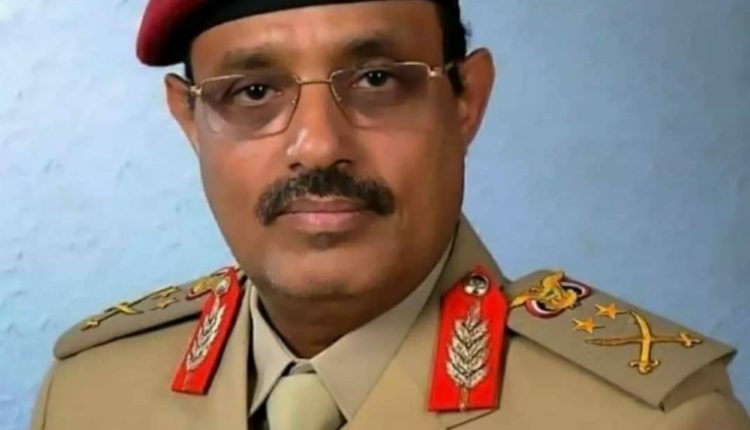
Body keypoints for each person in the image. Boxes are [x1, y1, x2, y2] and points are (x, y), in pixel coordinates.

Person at [29, 1, 749, 429]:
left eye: (377, 79)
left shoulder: (648, 420)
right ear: (189, 120)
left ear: (466, 100)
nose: (317, 145)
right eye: (253, 92)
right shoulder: (89, 396)